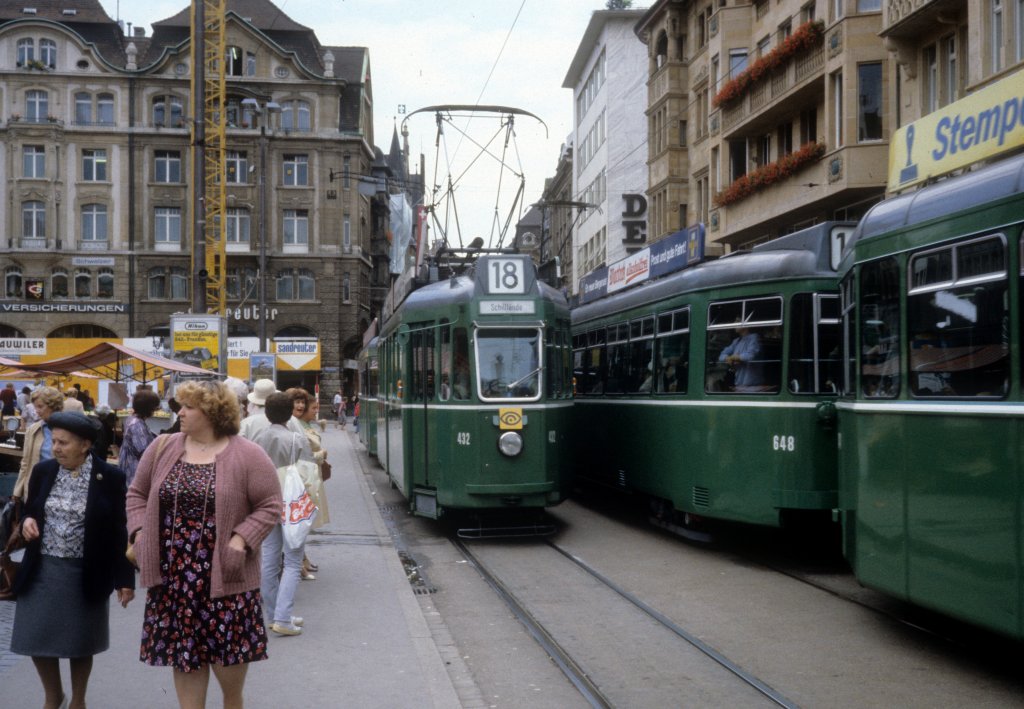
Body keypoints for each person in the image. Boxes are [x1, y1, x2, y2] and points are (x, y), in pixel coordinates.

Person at [127, 380, 282, 709]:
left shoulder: (247, 454)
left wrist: (241, 539)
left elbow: (270, 505)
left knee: (229, 684)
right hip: (174, 581)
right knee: (185, 660)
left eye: (188, 407)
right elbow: (136, 495)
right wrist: (139, 533)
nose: (179, 412)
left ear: (212, 412)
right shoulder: (163, 447)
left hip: (226, 581)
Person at [11, 411, 135, 709]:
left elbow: (119, 531)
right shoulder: (43, 471)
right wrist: (28, 521)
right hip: (43, 568)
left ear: (85, 445)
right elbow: (31, 509)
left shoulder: (110, 477)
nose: (56, 448)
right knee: (36, 637)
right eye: (55, 441)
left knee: (81, 642)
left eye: (64, 443)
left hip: (85, 571)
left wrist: (124, 580)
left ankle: (78, 700)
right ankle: (53, 695)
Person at [252, 393, 314, 636]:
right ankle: (284, 617)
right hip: (291, 503)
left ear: (266, 413)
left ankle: (274, 614)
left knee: (268, 558)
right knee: (292, 560)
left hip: (264, 502)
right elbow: (310, 476)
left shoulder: (257, 439)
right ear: (290, 413)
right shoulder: (296, 439)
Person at [286, 389, 327, 580]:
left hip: (308, 475)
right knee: (299, 522)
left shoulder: (299, 422)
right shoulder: (292, 423)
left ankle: (302, 560)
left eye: (303, 402)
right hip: (299, 477)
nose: (301, 406)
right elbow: (301, 453)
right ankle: (298, 564)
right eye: (297, 402)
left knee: (302, 521)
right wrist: (321, 455)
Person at [12, 386, 64, 502]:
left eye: (40, 406)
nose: (37, 411)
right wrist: (17, 491)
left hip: (60, 489)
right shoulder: (32, 430)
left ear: (54, 406)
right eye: (35, 407)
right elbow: (25, 462)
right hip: (35, 487)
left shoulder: (68, 430)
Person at [119, 389, 161, 487]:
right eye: (154, 407)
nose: (155, 410)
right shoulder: (137, 425)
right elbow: (145, 452)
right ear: (148, 408)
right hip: (134, 471)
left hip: (129, 469)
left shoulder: (132, 419)